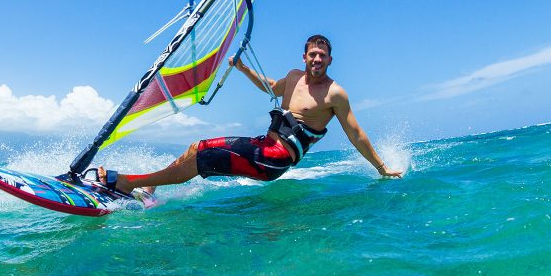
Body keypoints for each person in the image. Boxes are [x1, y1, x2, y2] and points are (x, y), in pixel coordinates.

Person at [98, 34, 402, 195]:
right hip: (262, 147)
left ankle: (129, 183)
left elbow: (355, 134)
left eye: (322, 55)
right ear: (305, 57)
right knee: (195, 150)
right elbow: (269, 86)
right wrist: (243, 69)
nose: (317, 59)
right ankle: (148, 186)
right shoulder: (294, 77)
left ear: (330, 60)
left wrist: (382, 167)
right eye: (313, 54)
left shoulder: (335, 94)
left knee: (200, 154)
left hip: (274, 159)